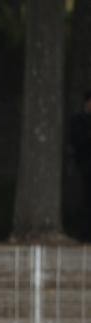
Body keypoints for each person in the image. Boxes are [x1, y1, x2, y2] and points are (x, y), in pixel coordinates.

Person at [69, 91, 91, 241]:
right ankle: (84, 234)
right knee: (84, 200)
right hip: (84, 166)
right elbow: (77, 142)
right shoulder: (78, 120)